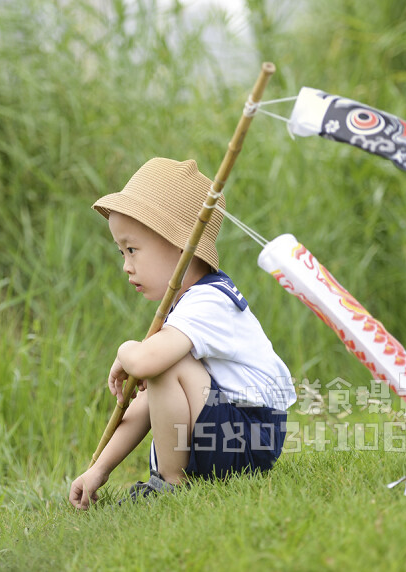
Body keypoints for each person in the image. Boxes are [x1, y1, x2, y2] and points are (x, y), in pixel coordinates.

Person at [69, 157, 296, 510]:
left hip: (248, 436)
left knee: (161, 365)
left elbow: (146, 364)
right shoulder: (187, 305)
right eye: (121, 252)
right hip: (228, 431)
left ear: (181, 246)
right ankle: (169, 479)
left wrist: (127, 350)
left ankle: (171, 485)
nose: (126, 265)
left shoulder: (208, 302)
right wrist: (98, 469)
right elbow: (146, 399)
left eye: (132, 250)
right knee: (160, 369)